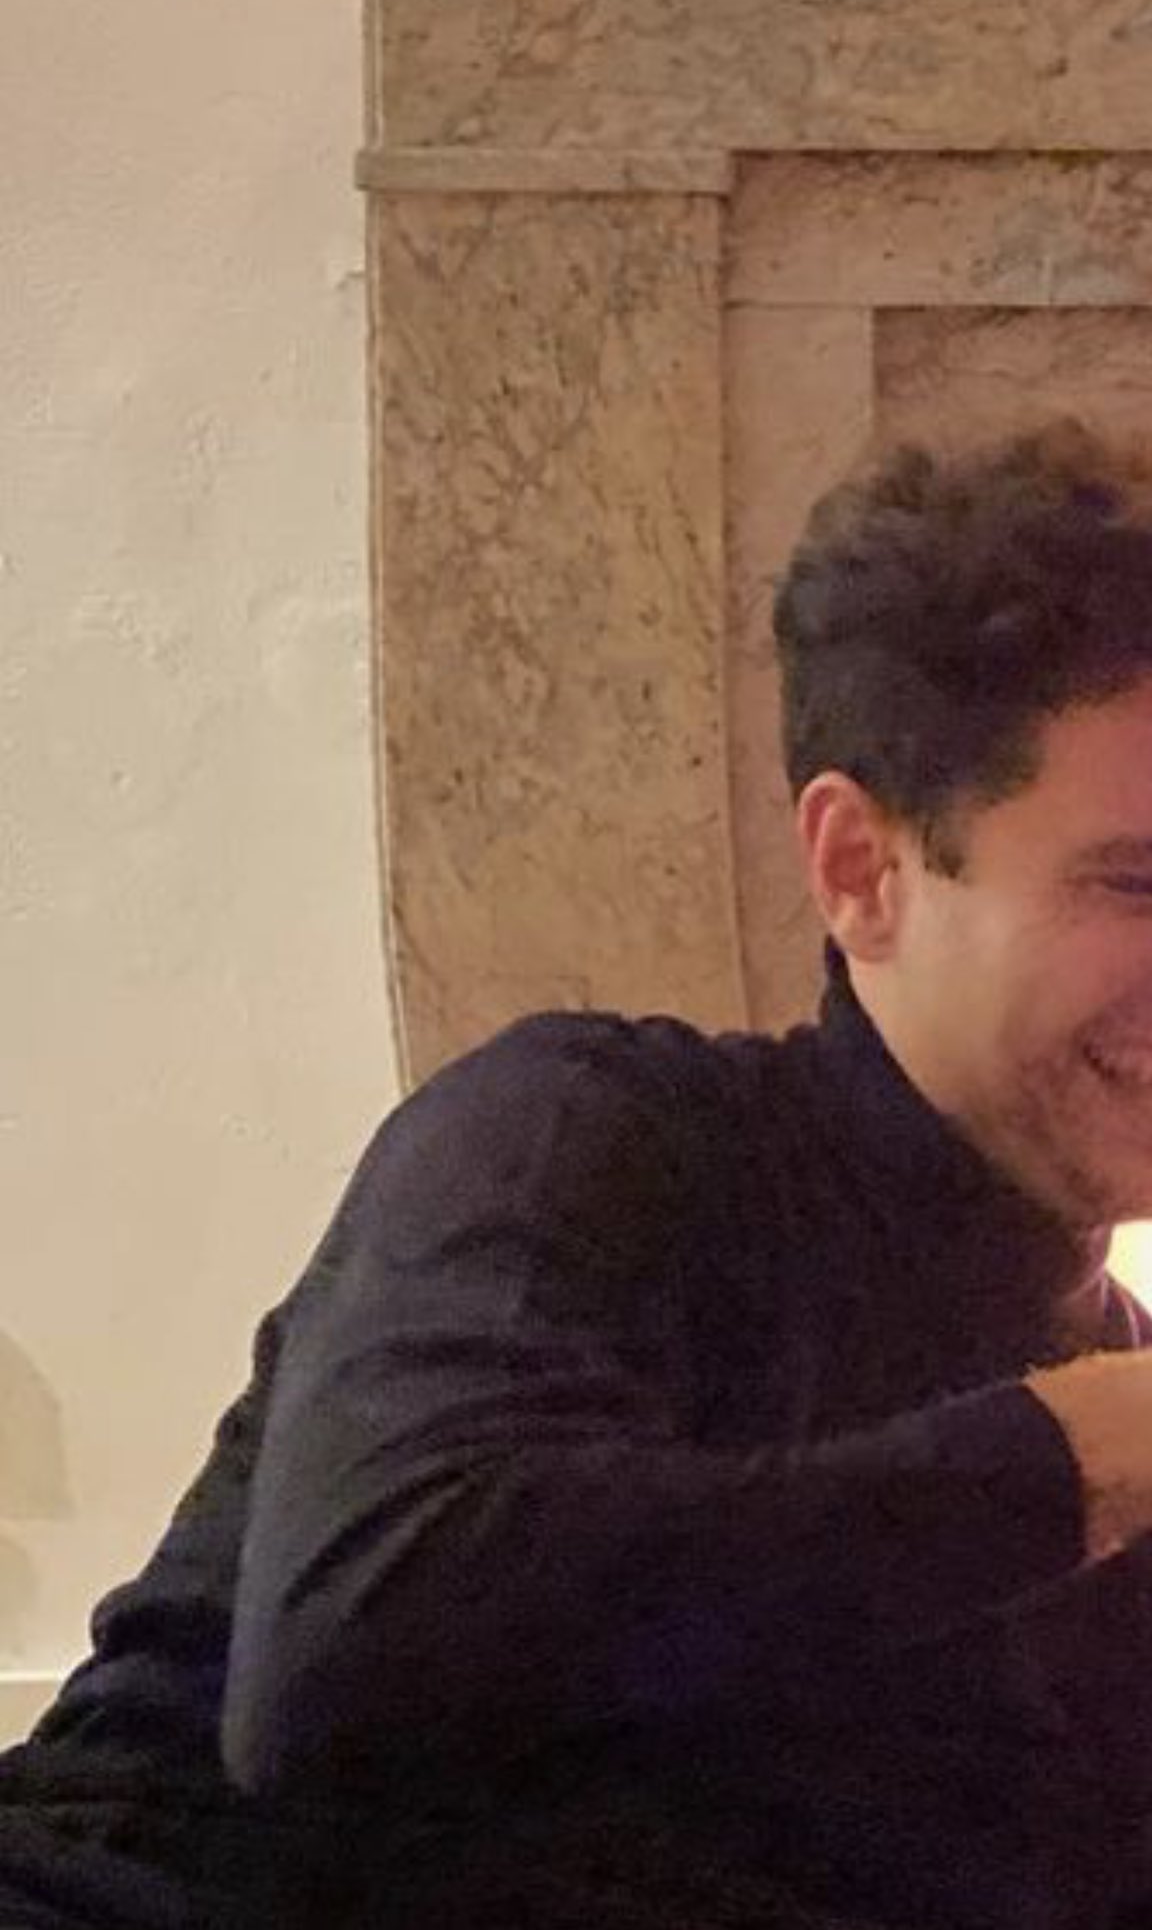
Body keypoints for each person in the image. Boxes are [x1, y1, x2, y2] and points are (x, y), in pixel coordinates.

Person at [10, 417, 1152, 1929]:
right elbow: (354, 1664)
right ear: (861, 869)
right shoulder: (594, 1129)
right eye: (1136, 882)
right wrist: (1080, 1455)